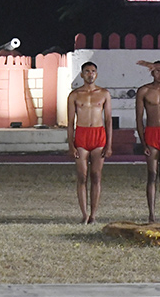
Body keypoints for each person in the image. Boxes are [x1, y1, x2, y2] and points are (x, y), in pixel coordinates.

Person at [66, 61, 112, 224]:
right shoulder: (75, 95)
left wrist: (109, 145)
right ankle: (84, 214)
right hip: (82, 135)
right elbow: (70, 122)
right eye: (87, 71)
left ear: (96, 74)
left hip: (98, 135)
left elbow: (108, 120)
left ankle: (93, 214)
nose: (90, 74)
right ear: (82, 74)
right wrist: (71, 145)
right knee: (82, 176)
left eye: (93, 71)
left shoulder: (104, 93)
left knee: (96, 176)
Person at [135, 61, 160, 223]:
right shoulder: (144, 91)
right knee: (152, 174)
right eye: (157, 71)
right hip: (151, 133)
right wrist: (143, 142)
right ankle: (151, 213)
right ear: (152, 73)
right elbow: (139, 118)